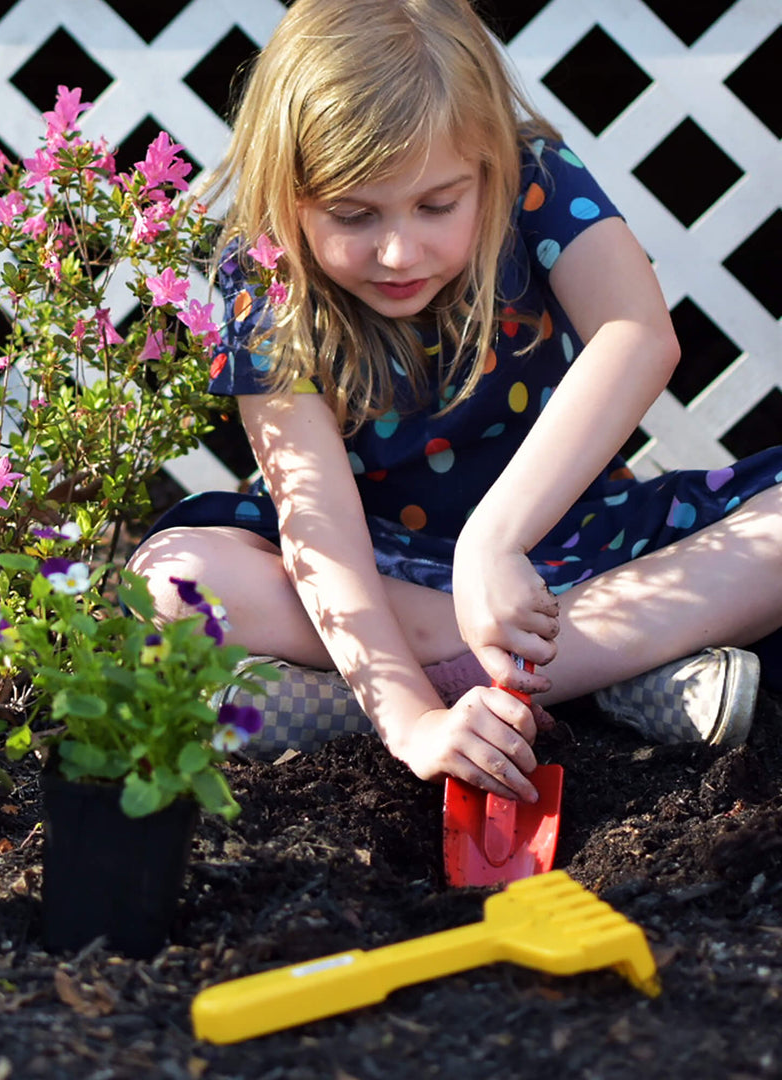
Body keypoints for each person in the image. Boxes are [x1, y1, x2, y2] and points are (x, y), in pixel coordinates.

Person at [129, 0, 782, 802]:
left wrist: (491, 545)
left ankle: (353, 704)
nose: (399, 250)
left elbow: (639, 335)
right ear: (288, 192)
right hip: (375, 575)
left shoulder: (535, 179)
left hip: (566, 554)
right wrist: (410, 723)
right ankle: (606, 681)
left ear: (488, 164)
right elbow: (320, 530)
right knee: (174, 575)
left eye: (438, 205)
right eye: (353, 214)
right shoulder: (267, 270)